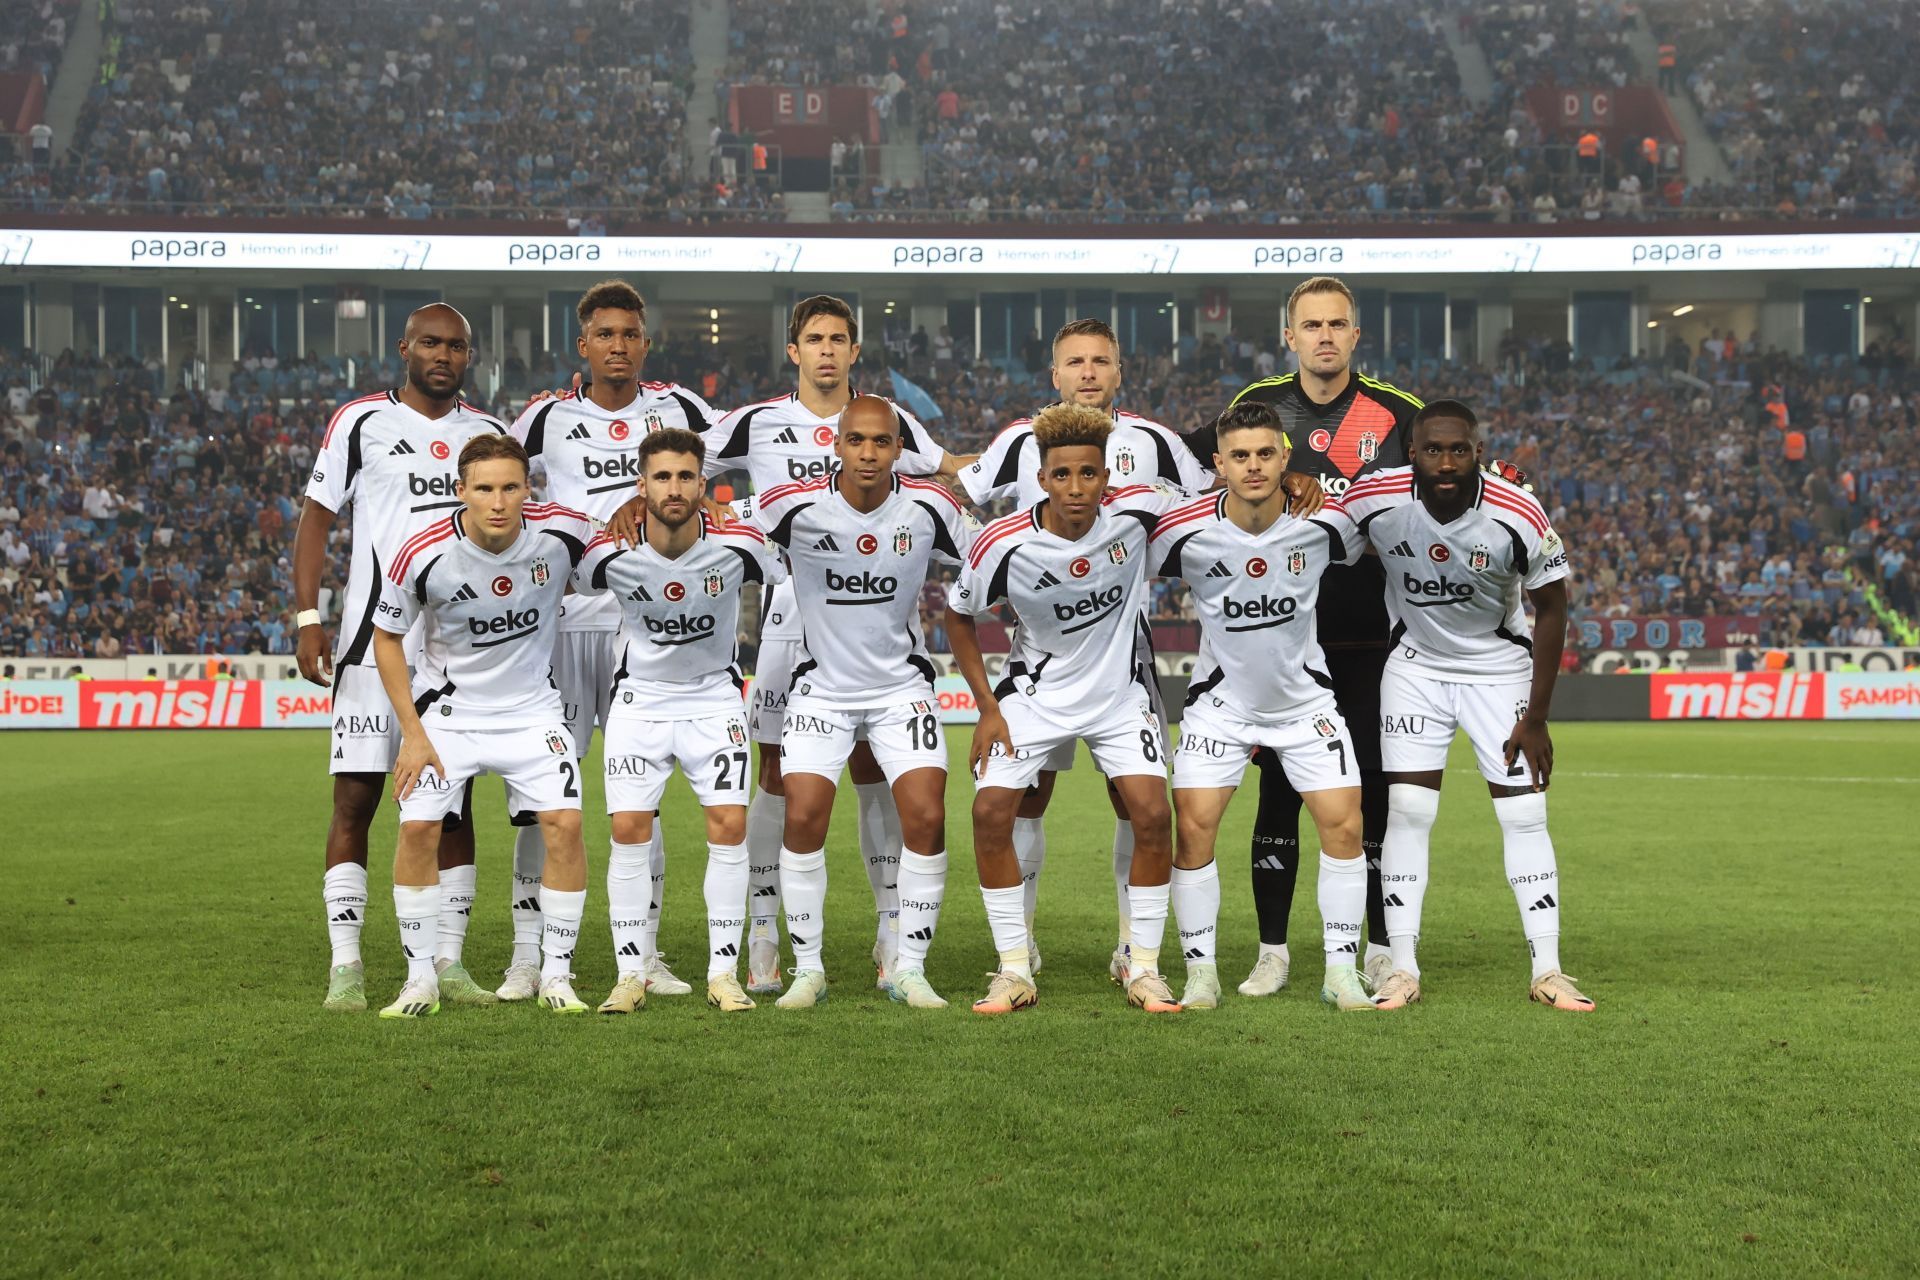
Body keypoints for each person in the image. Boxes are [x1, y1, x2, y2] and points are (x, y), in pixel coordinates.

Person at [703, 296, 971, 995]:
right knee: (779, 778)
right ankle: (766, 933)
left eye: (839, 340)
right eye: (814, 339)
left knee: (876, 773)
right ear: (794, 351)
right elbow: (684, 468)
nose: (827, 350)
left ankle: (894, 932)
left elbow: (954, 471)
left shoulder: (888, 418)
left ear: (855, 351)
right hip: (791, 616)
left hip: (878, 614)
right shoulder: (758, 421)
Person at [956, 318, 1223, 984]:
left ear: (1118, 371)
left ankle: (1134, 951)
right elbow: (963, 495)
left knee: (1134, 803)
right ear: (1055, 374)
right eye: (1074, 361)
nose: (1087, 372)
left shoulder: (1154, 446)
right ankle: (1018, 954)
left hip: (1120, 652)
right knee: (1027, 800)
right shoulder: (1019, 441)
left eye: (1100, 360)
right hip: (1038, 651)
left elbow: (1207, 501)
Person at [1185, 277, 1424, 998]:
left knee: (1368, 797)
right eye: (1310, 325)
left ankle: (1375, 948)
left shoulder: (1398, 415)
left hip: (1365, 634)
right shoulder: (1254, 410)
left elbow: (1425, 503)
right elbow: (1198, 480)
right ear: (1288, 336)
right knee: (1278, 796)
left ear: (1357, 335)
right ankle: (1273, 949)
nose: (1324, 336)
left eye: (1337, 324)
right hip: (1276, 642)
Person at [506, 280, 722, 1003]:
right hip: (564, 622)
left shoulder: (681, 409)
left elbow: (723, 480)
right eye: (605, 334)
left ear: (645, 342)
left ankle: (646, 954)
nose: (618, 346)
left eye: (630, 333)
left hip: (646, 626)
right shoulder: (546, 416)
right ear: (584, 344)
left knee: (643, 801)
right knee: (545, 795)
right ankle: (527, 956)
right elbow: (490, 479)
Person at [1336, 400, 1590, 1013]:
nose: (1446, 463)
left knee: (1525, 817)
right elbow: (1319, 533)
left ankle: (1549, 970)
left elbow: (1554, 607)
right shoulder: (1375, 498)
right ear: (1412, 454)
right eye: (1432, 450)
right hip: (1416, 670)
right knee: (1408, 812)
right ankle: (1401, 968)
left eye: (1458, 450)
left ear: (1478, 451)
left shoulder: (1517, 510)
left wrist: (1536, 716)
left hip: (1499, 673)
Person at [292, 303, 510, 1012]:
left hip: (452, 653)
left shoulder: (488, 435)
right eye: (430, 343)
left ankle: (447, 962)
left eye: (456, 345)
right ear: (405, 348)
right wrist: (307, 617)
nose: (443, 355)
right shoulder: (360, 422)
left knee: (453, 809)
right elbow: (317, 518)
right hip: (365, 643)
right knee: (354, 801)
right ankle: (346, 965)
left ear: (469, 355)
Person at [1150, 401, 1374, 1012]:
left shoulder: (1326, 522)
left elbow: (1391, 527)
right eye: (1240, 456)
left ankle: (1341, 971)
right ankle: (1201, 973)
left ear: (1285, 458)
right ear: (1218, 463)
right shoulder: (1182, 529)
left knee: (1345, 829)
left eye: (1266, 454)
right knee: (1193, 830)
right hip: (1219, 707)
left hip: (1305, 705)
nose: (1254, 466)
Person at [370, 434, 596, 1017]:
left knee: (565, 826)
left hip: (533, 712)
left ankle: (557, 975)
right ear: (460, 490)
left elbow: (636, 528)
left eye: (510, 487)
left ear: (528, 487)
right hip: (449, 715)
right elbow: (388, 638)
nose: (498, 502)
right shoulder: (421, 552)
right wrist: (412, 731)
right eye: (485, 489)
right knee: (418, 831)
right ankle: (420, 978)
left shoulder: (563, 532)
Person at [571, 429, 784, 1013]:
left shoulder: (739, 544)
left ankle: (723, 974)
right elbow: (562, 566)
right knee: (629, 833)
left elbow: (790, 560)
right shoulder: (608, 549)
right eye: (662, 477)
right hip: (638, 702)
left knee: (727, 827)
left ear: (702, 483)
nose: (674, 488)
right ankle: (630, 975)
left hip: (714, 700)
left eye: (686, 477)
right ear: (641, 485)